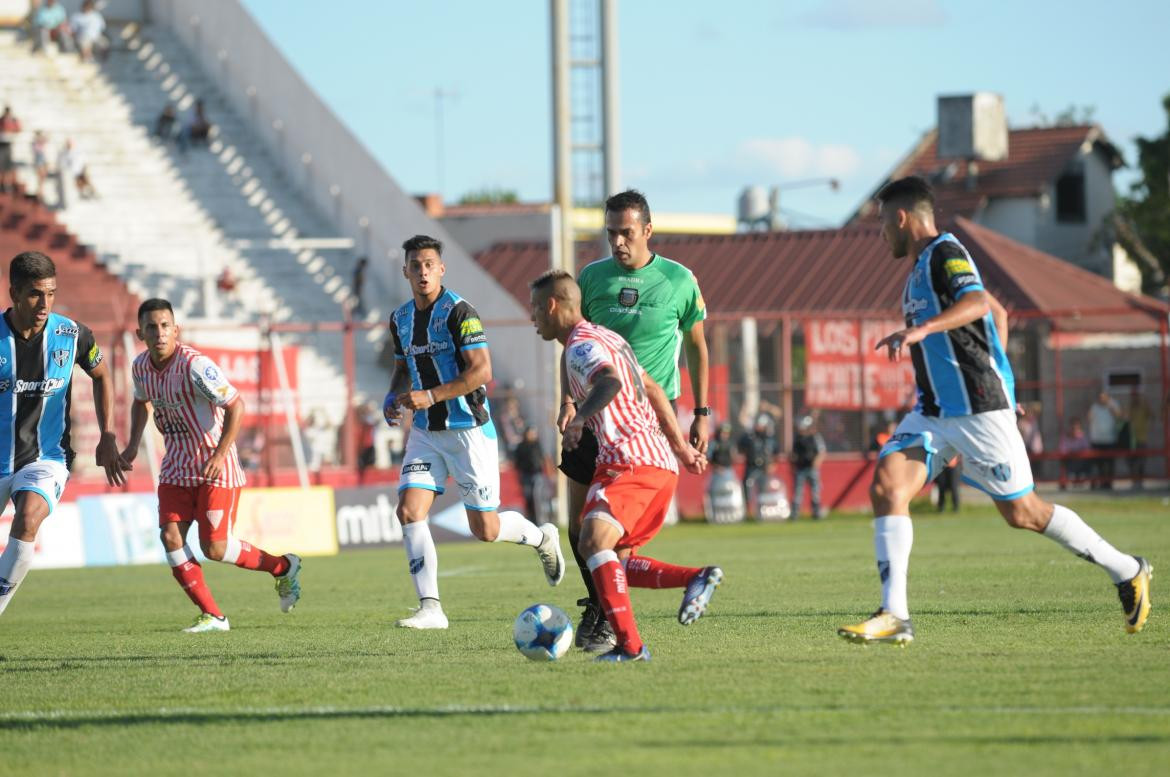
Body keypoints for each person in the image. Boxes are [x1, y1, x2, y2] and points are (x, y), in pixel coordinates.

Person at [838, 176, 1151, 645]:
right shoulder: (920, 266)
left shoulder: (945, 252)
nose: (882, 233)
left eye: (883, 223)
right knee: (887, 486)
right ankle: (895, 615)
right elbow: (999, 317)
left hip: (977, 408)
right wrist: (999, 371)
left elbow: (979, 303)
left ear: (902, 218)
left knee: (1023, 513)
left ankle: (1127, 570)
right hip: (934, 411)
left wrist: (926, 336)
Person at [530, 269, 720, 662]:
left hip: (627, 460)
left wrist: (580, 417)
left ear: (552, 305)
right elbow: (651, 389)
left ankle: (631, 648)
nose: (533, 317)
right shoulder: (609, 337)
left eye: (535, 308)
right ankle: (694, 579)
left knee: (590, 541)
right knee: (614, 561)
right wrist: (681, 449)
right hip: (655, 463)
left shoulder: (581, 346)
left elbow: (610, 382)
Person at [383, 235, 564, 630]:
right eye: (416, 265)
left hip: (467, 430)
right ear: (406, 272)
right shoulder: (399, 319)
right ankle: (431, 608)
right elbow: (401, 367)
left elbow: (482, 371)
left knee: (486, 529)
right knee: (409, 511)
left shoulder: (459, 311)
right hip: (426, 432)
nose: (423, 271)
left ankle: (541, 538)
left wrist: (430, 395)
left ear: (441, 269)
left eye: (430, 264)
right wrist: (392, 395)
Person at [559, 189, 710, 652]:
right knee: (577, 525)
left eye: (626, 232)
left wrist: (701, 412)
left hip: (643, 425)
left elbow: (698, 346)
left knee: (607, 534)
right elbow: (575, 343)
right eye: (610, 233)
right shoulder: (592, 278)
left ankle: (609, 623)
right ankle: (603, 608)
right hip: (591, 419)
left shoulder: (680, 281)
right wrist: (568, 400)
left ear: (647, 230)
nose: (618, 242)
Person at [122, 298, 302, 633]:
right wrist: (132, 446)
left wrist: (220, 455)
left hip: (214, 467)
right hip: (175, 466)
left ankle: (283, 567)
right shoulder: (140, 367)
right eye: (151, 327)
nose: (159, 333)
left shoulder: (195, 365)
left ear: (176, 330)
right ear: (139, 333)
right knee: (170, 537)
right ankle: (214, 616)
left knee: (215, 548)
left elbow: (236, 405)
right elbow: (140, 401)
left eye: (165, 326)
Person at [0, 251, 127, 618]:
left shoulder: (72, 335)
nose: (44, 304)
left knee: (27, 520)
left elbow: (101, 376)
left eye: (51, 293)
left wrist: (107, 434)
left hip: (46, 458)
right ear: (14, 293)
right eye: (35, 294)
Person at [737, 413, 779, 514]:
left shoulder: (770, 438)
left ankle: (762, 511)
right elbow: (740, 447)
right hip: (751, 466)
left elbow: (775, 453)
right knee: (747, 486)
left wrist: (773, 464)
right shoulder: (749, 437)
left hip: (764, 467)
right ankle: (747, 511)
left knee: (763, 489)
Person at [790, 415, 826, 520]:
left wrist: (816, 463)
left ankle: (816, 512)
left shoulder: (814, 437)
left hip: (811, 468)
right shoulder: (797, 438)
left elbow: (821, 452)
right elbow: (793, 454)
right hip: (800, 468)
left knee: (815, 490)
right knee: (798, 491)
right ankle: (795, 513)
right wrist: (793, 464)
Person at [512, 426, 549, 524]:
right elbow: (516, 461)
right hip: (525, 475)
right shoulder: (520, 446)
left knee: (536, 498)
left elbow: (542, 459)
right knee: (528, 498)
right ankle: (530, 521)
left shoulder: (537, 445)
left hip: (536, 475)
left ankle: (540, 522)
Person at [1087, 392, 1121, 489]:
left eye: (1104, 397)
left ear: (1108, 398)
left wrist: (1111, 407)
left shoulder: (1113, 405)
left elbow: (1119, 416)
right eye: (1100, 397)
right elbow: (1089, 418)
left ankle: (1108, 483)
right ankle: (1100, 483)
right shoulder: (1094, 407)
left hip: (1110, 440)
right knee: (1098, 464)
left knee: (1109, 463)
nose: (1102, 399)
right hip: (1097, 440)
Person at [1123, 389, 1150, 489]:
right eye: (1133, 396)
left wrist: (1147, 404)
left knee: (1141, 461)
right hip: (1131, 440)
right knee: (1132, 462)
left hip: (1142, 439)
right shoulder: (1130, 408)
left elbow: (1151, 416)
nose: (1135, 398)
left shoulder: (1144, 407)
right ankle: (1134, 481)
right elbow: (1124, 418)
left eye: (1136, 396)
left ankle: (1140, 482)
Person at [1058, 418, 1091, 486]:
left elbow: (1087, 449)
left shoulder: (1083, 437)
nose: (1075, 430)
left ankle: (1082, 477)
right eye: (1073, 427)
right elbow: (1062, 450)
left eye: (1077, 428)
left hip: (1081, 462)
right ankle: (1069, 477)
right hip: (1070, 462)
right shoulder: (1065, 437)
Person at [0, 106, 21, 193]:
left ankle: (6, 184)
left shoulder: (13, 120)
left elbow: (18, 129)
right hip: (1, 144)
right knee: (2, 165)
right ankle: (2, 184)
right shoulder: (1, 120)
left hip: (9, 144)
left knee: (8, 166)